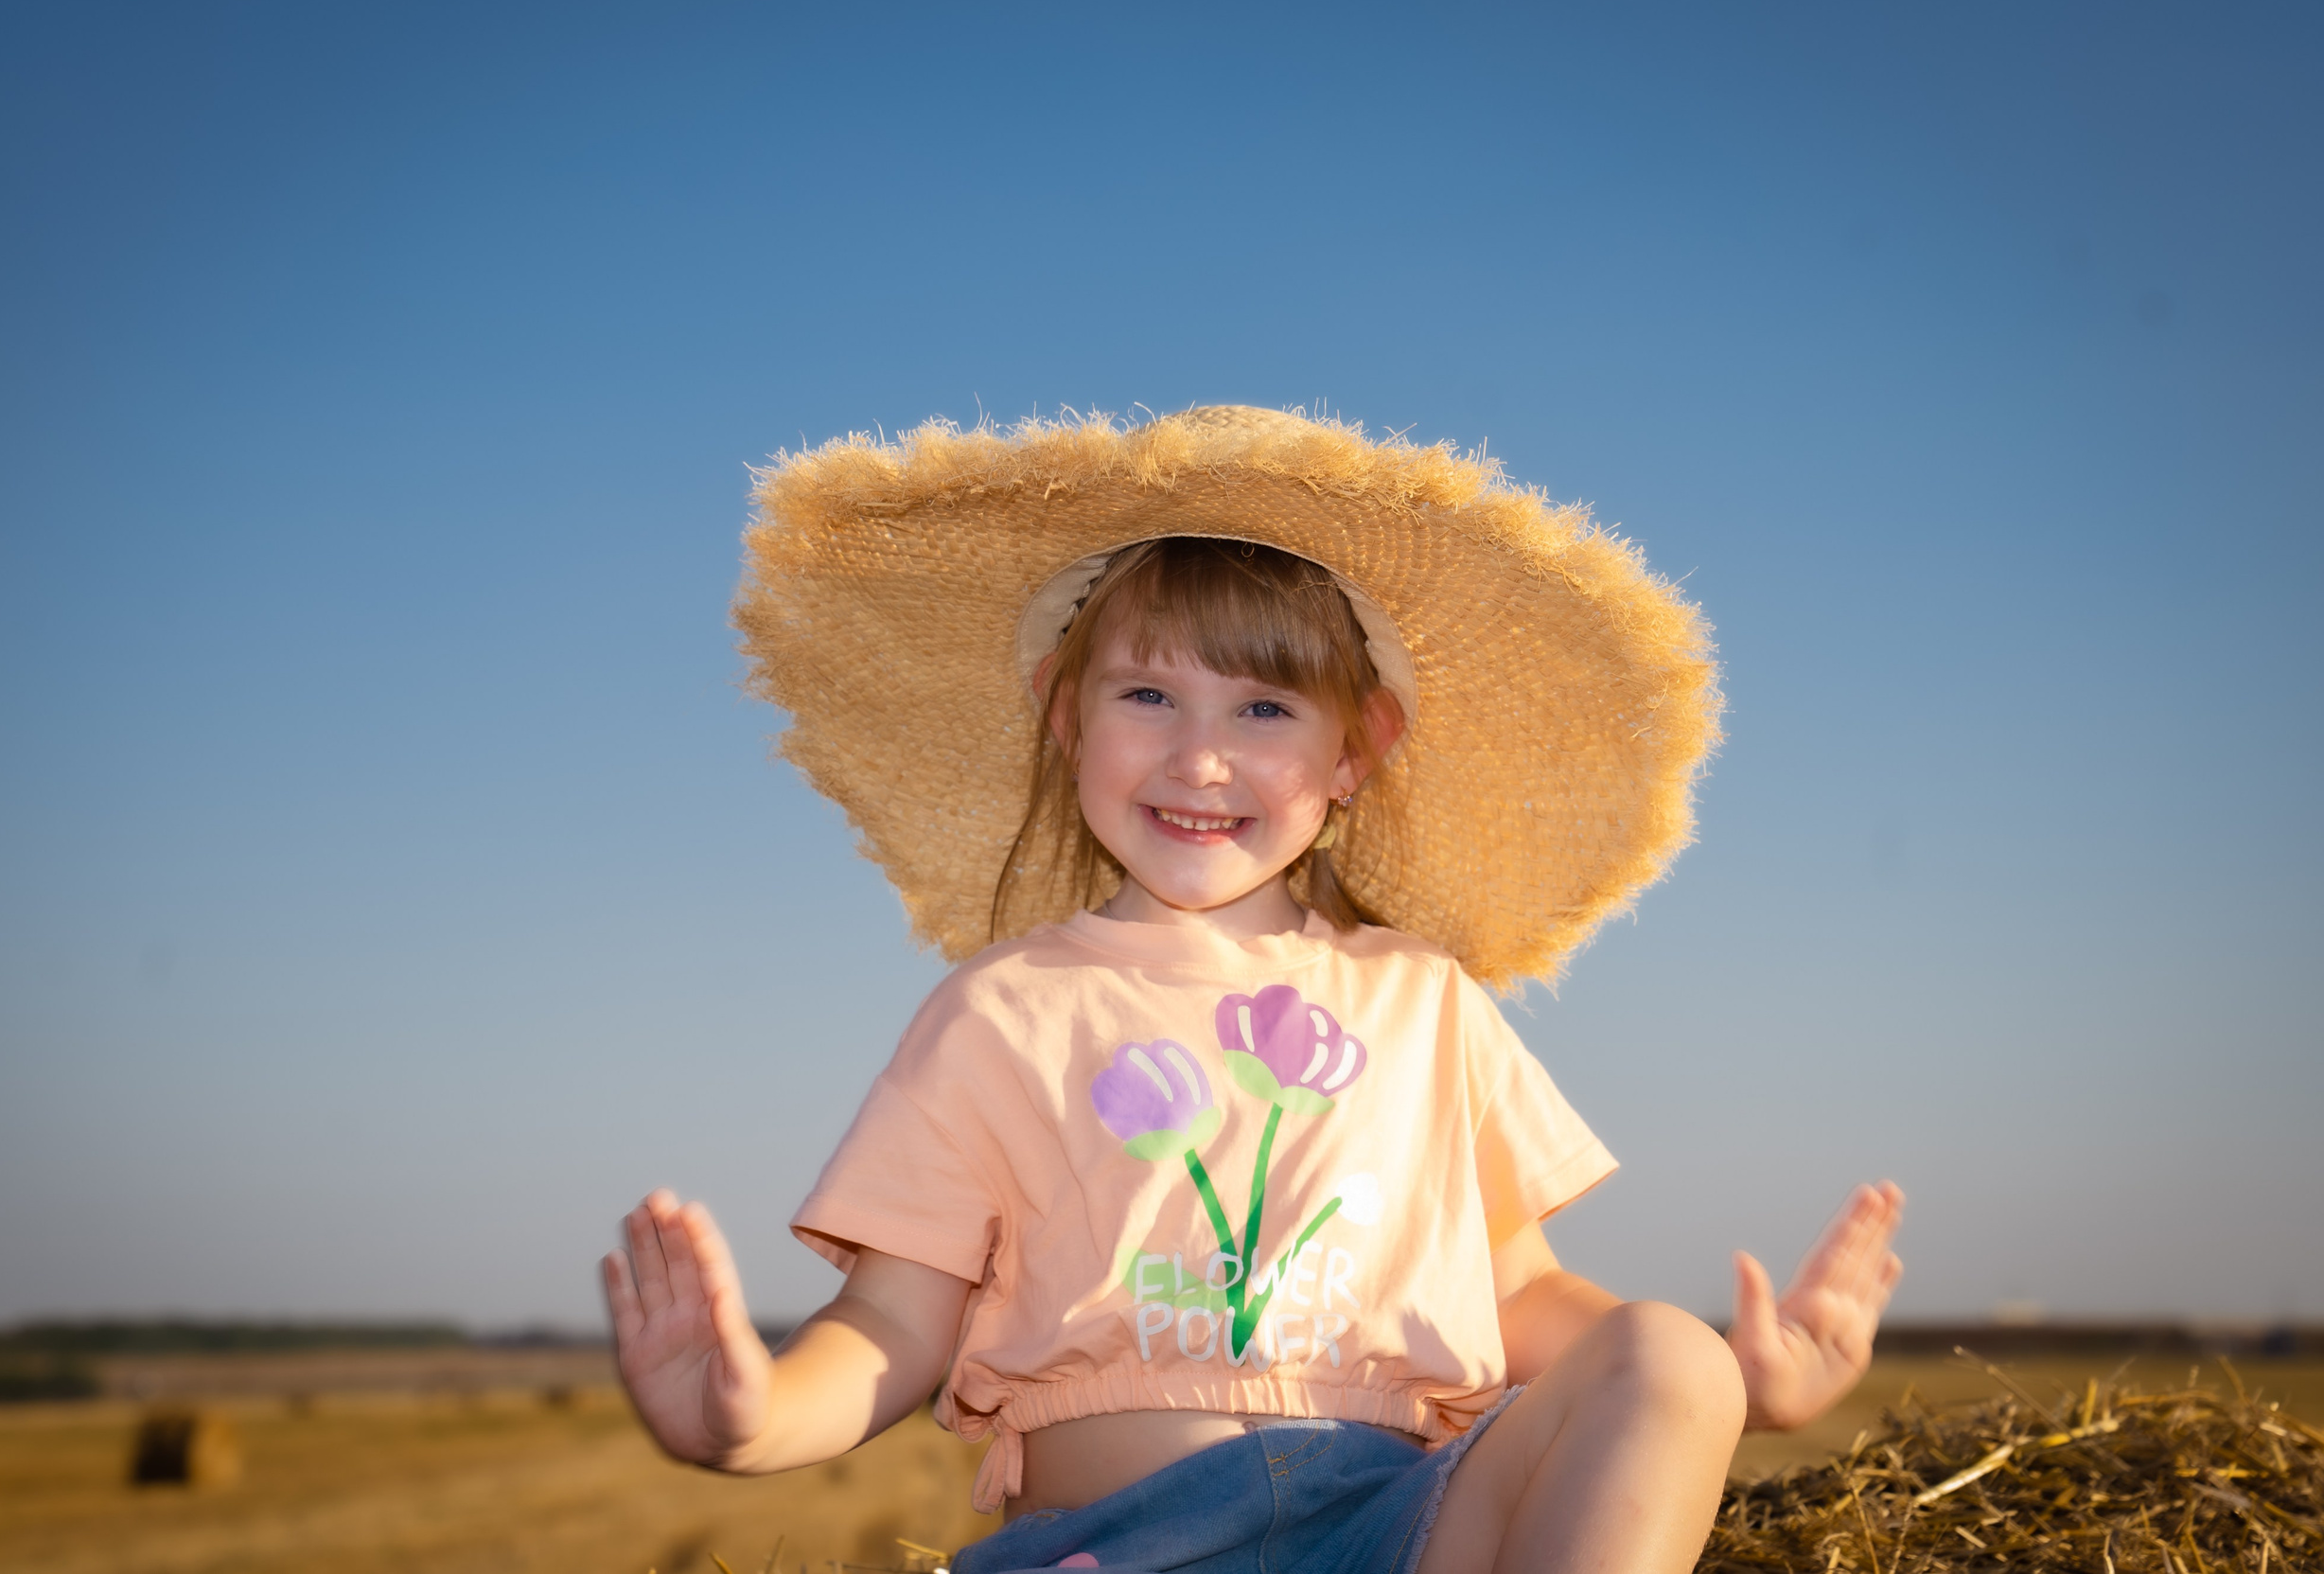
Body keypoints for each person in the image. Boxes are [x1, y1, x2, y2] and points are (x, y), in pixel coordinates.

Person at [604, 407, 1904, 1574]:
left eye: (1267, 709)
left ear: (1357, 752)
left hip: (1406, 1526)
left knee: (1663, 1349)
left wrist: (1734, 1384)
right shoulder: (1004, 1012)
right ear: (1067, 718)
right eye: (1150, 693)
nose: (1200, 757)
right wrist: (754, 1419)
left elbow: (1516, 1297)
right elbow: (892, 1321)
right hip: (1123, 1546)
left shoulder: (1425, 1003)